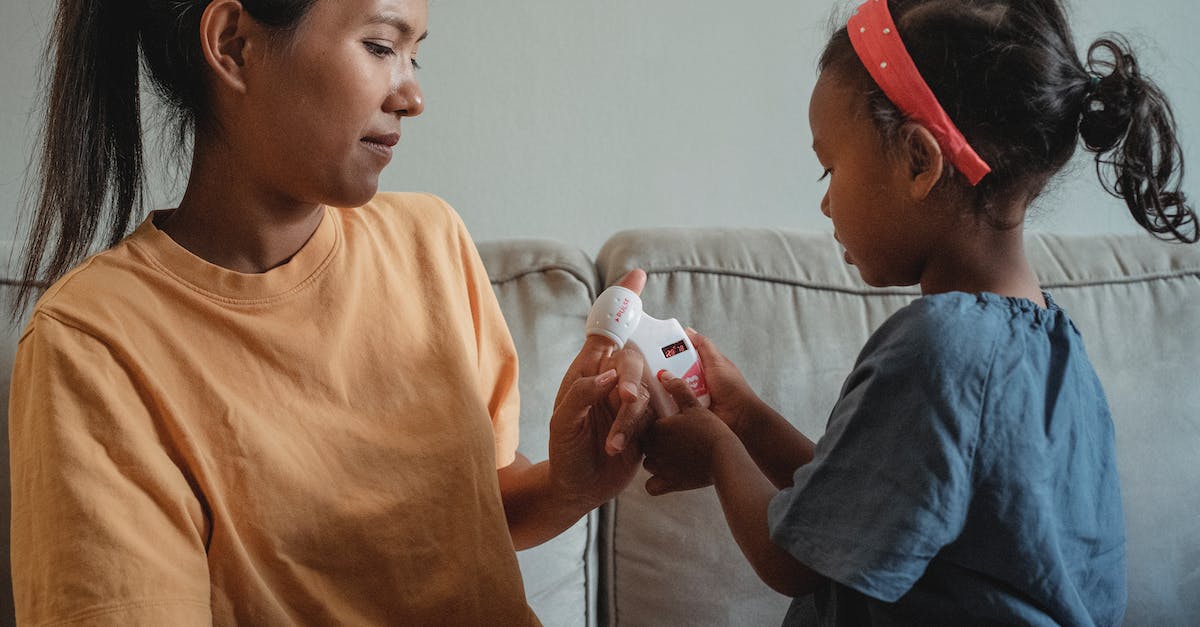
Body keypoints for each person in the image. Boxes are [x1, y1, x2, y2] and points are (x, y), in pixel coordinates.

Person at [8, 0, 653, 624]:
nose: (412, 97)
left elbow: (469, 518)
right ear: (234, 44)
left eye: (414, 56)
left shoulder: (433, 242)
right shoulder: (93, 344)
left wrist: (570, 485)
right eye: (380, 46)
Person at [640, 0, 1196, 625]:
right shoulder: (1059, 351)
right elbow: (857, 507)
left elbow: (793, 561)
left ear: (918, 161)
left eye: (830, 168)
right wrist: (746, 416)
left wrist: (717, 451)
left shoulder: (939, 346)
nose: (825, 205)